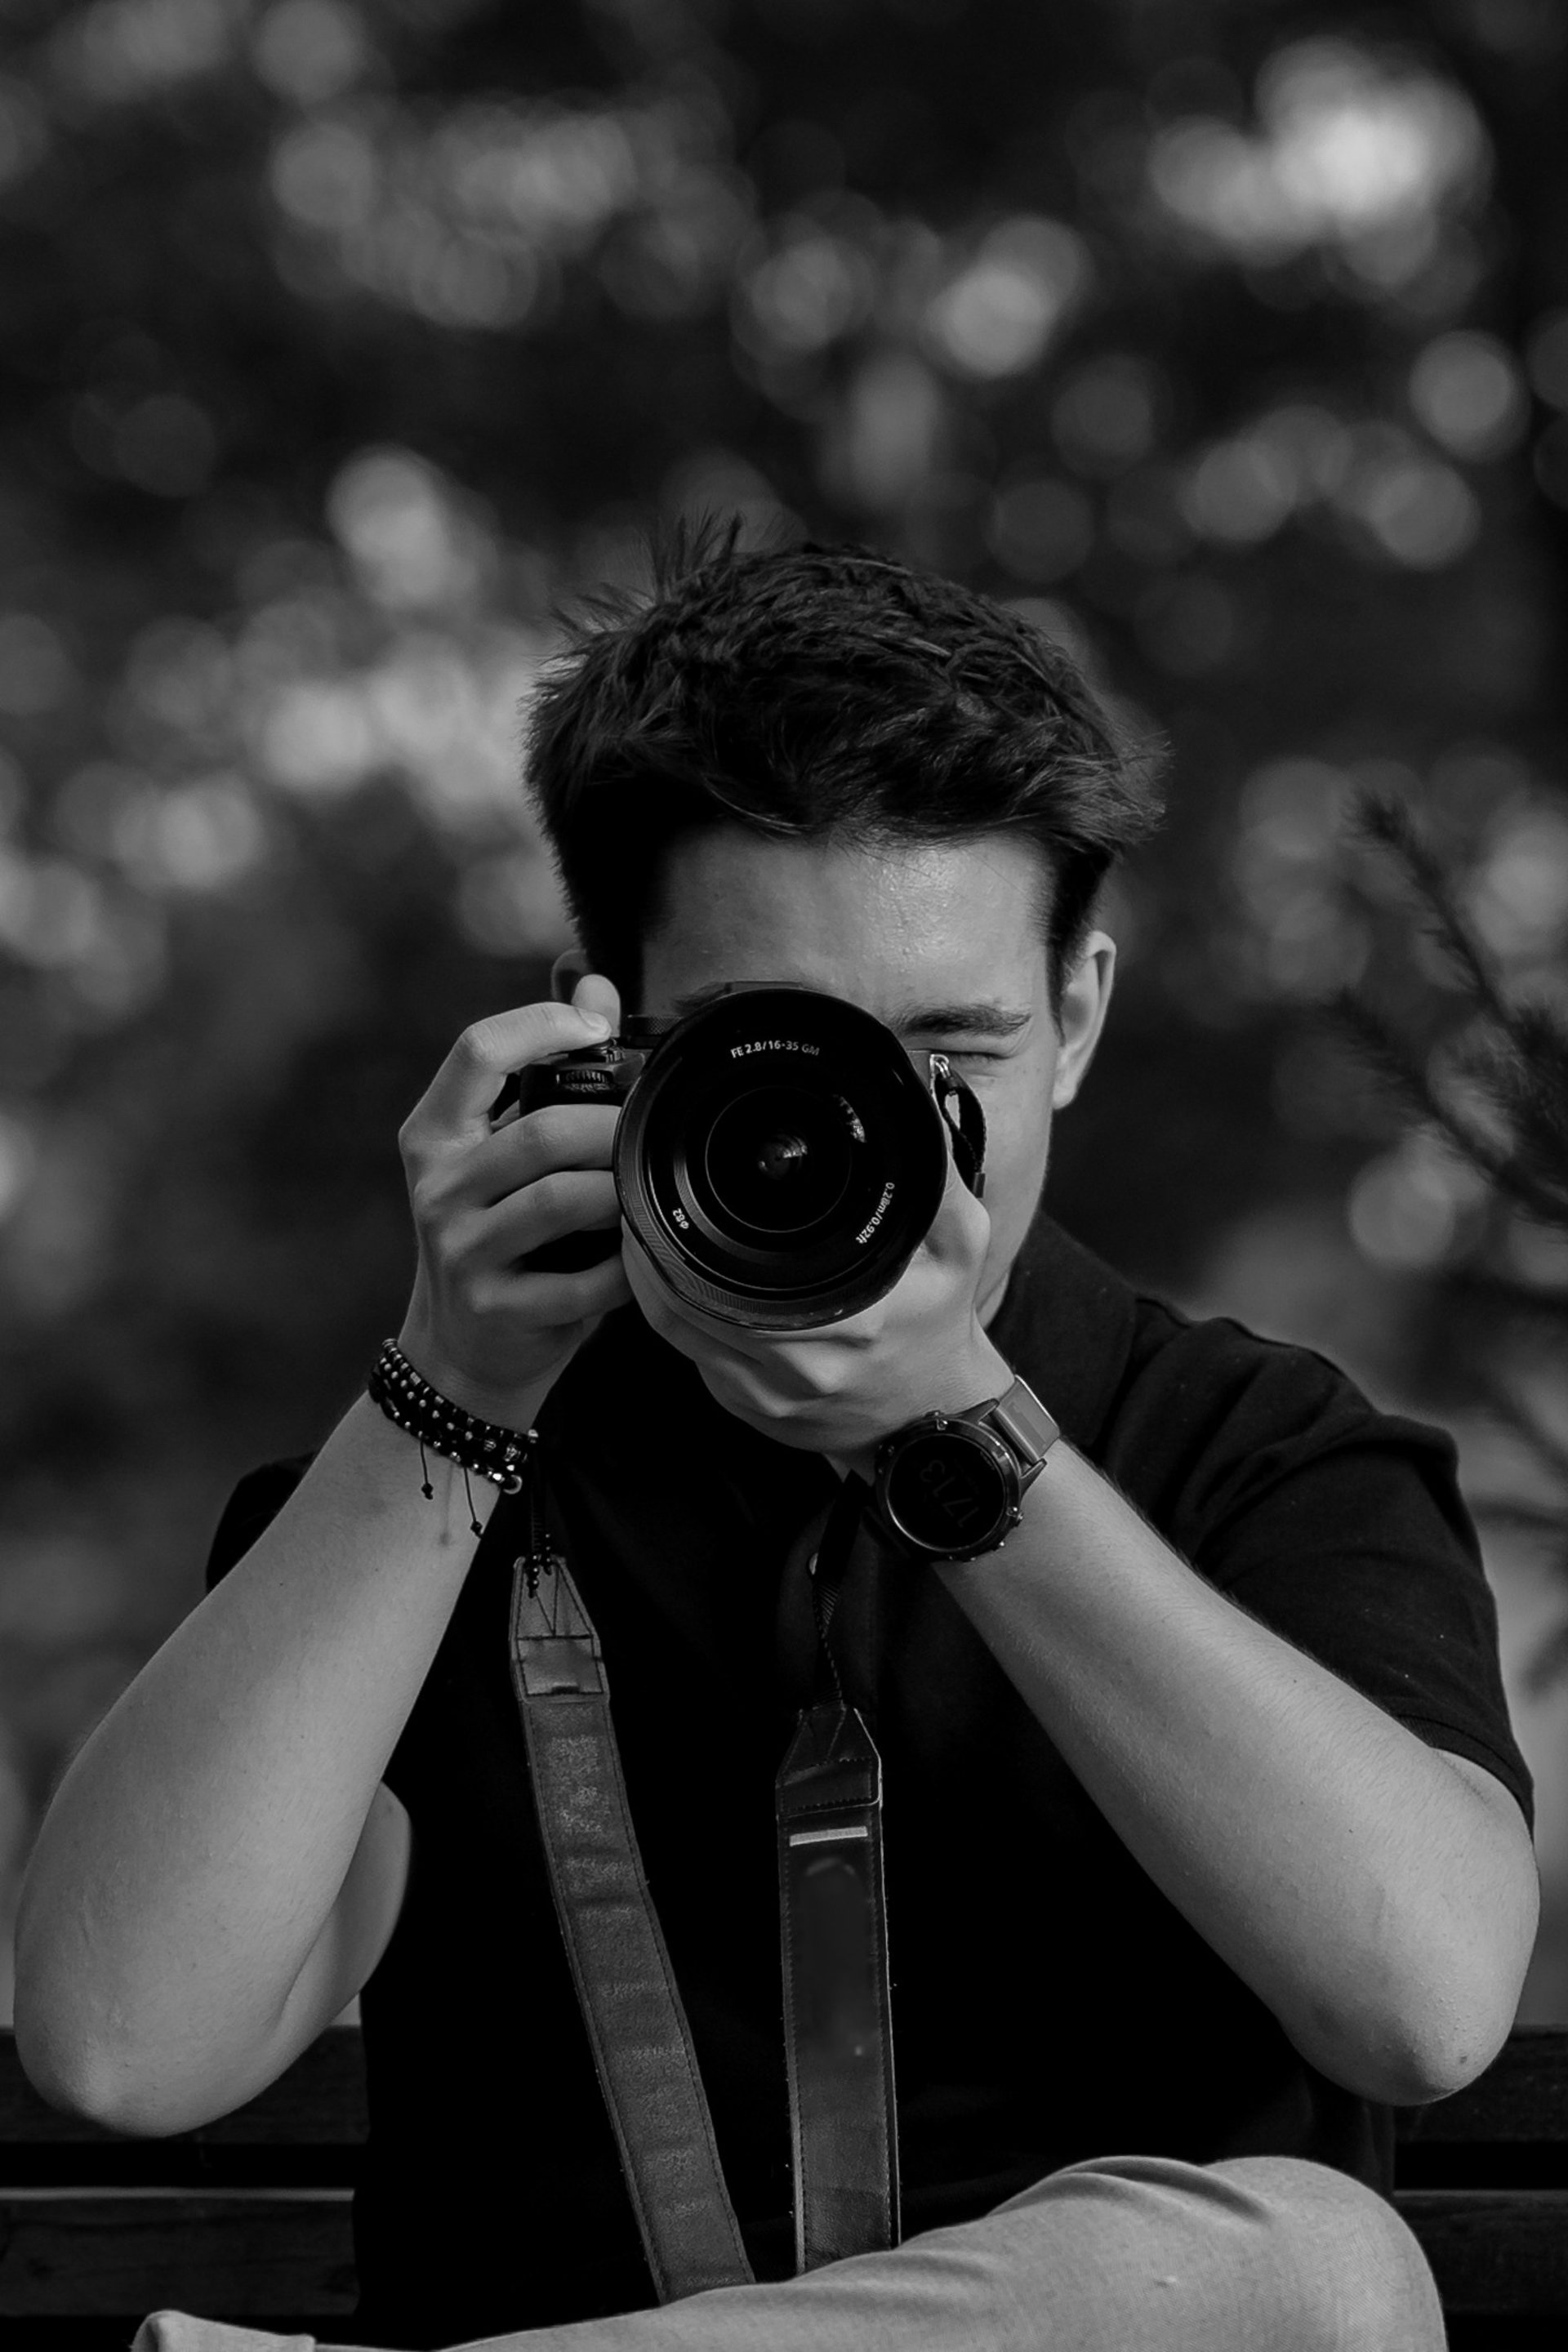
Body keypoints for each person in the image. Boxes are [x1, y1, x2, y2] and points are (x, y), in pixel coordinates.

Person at [16, 533, 1538, 2352]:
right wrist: (452, 1389)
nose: (872, 1125)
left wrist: (967, 1442)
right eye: (782, 1052)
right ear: (615, 1032)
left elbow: (1427, 2003)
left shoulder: (1257, 1457)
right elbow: (122, 2043)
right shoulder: (427, 1497)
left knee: (1312, 2277)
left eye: (948, 1049)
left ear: (1076, 1017)